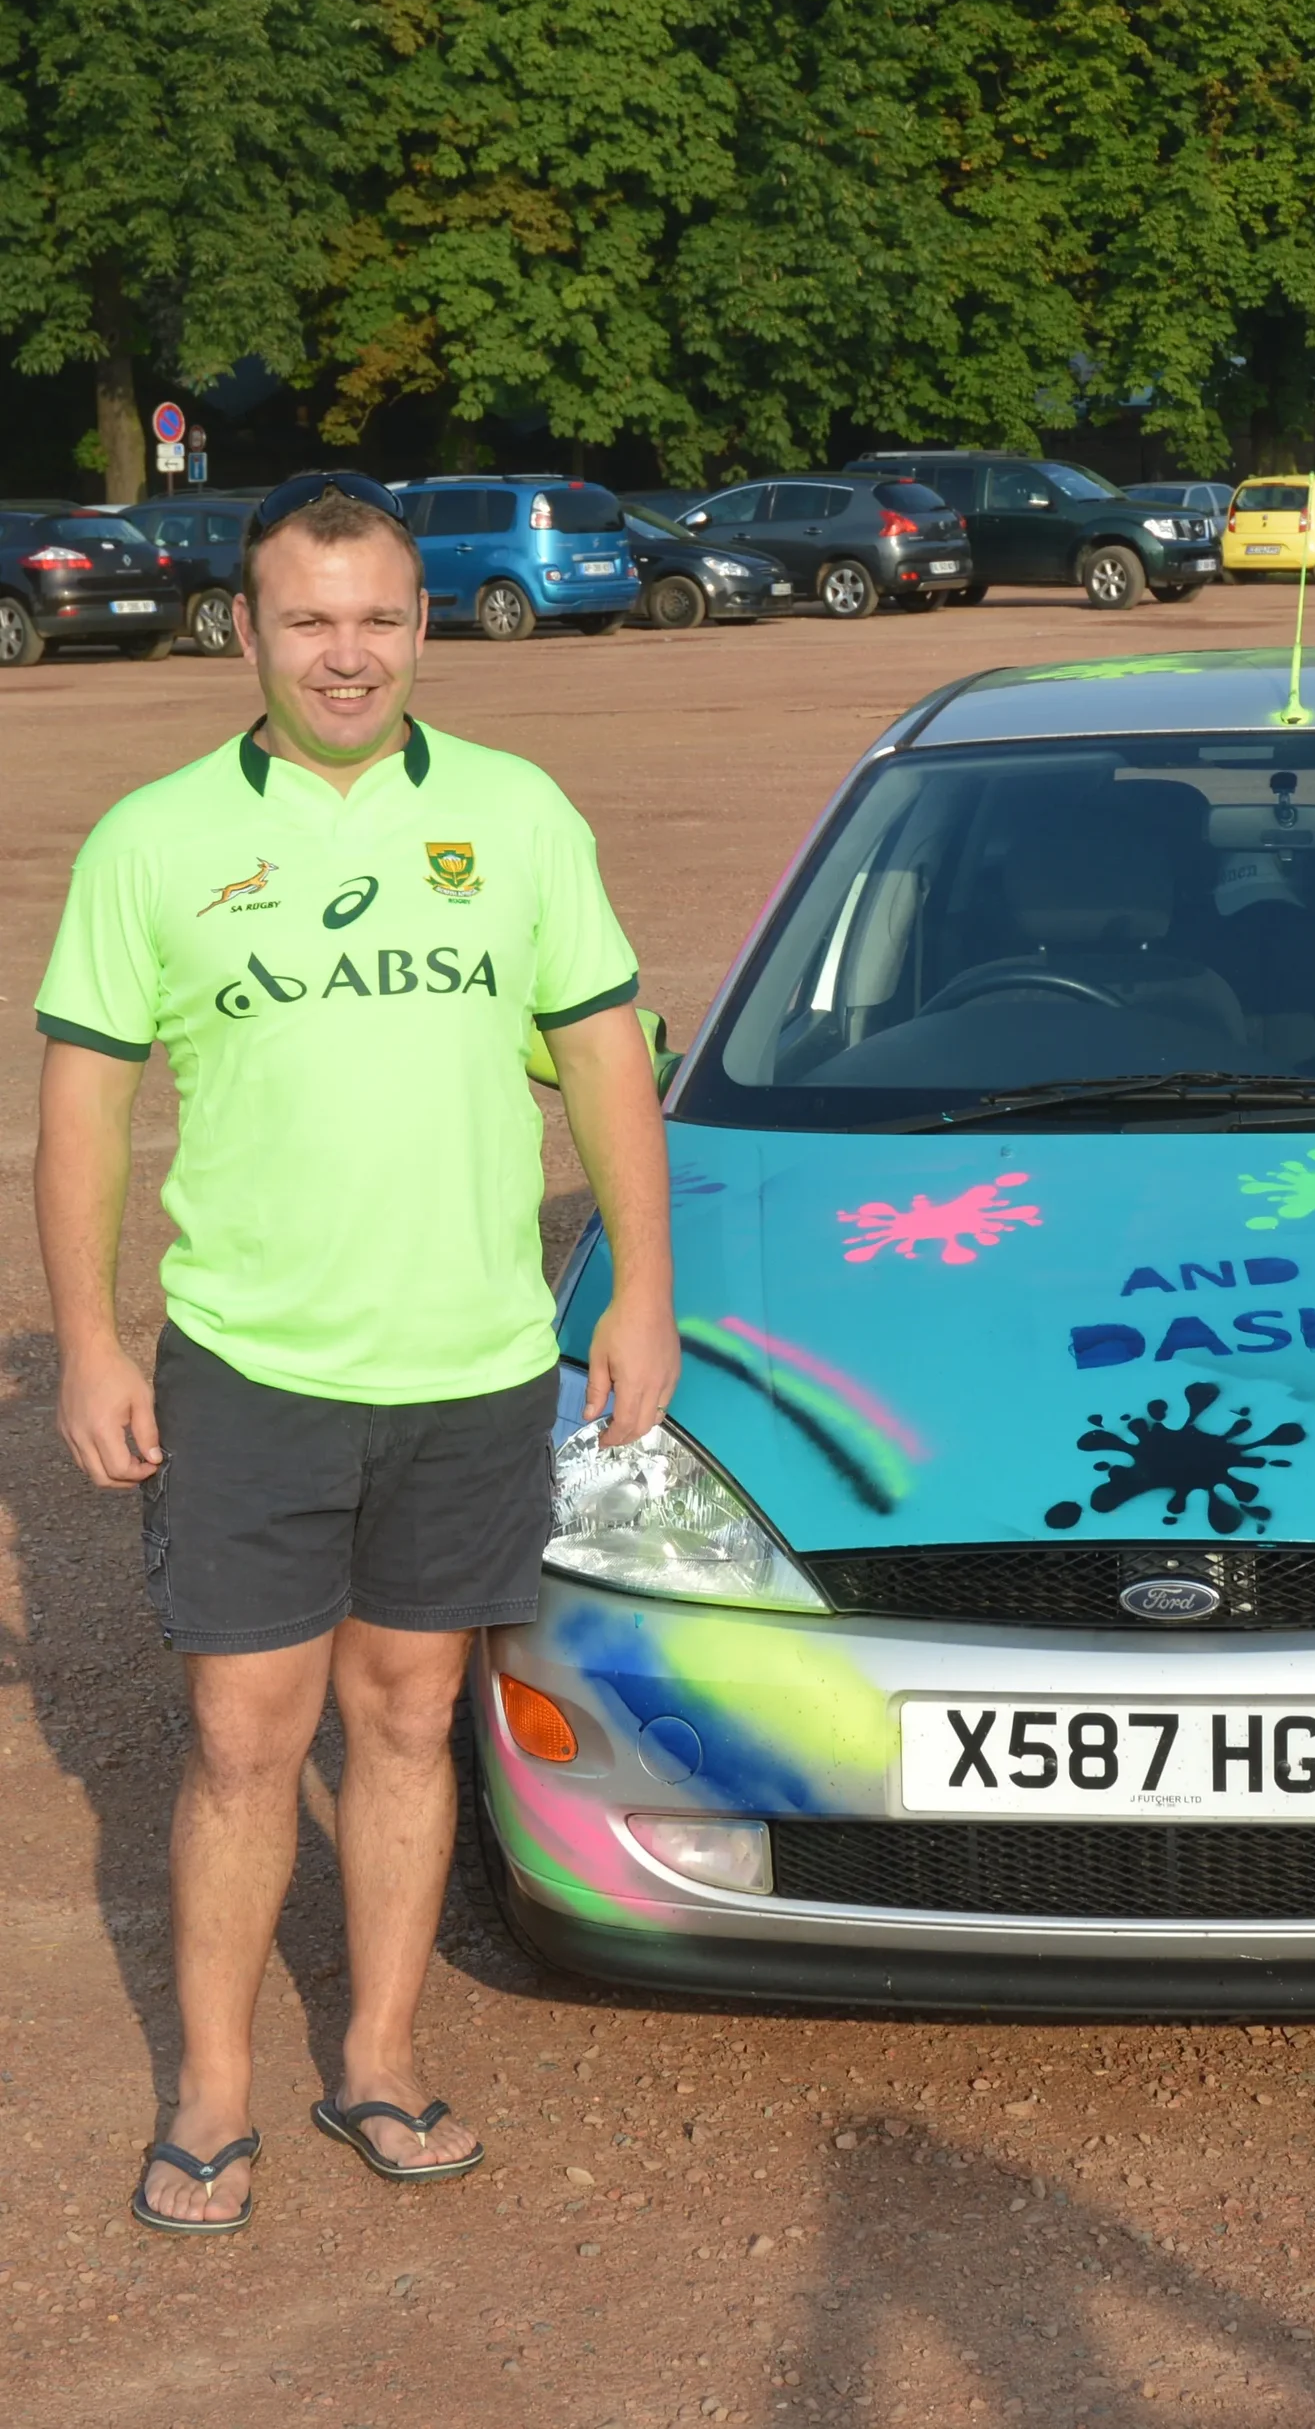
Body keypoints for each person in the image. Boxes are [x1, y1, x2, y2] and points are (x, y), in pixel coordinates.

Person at [33, 472, 679, 2236]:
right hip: (252, 1367)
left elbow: (603, 1056)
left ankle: (379, 2061)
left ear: (422, 625)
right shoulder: (153, 840)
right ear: (243, 629)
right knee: (246, 1741)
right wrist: (91, 1342)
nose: (346, 654)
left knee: (404, 1722)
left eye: (379, 618)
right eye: (308, 620)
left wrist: (640, 1292)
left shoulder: (516, 813)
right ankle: (213, 2091)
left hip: (472, 1363)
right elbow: (83, 1110)